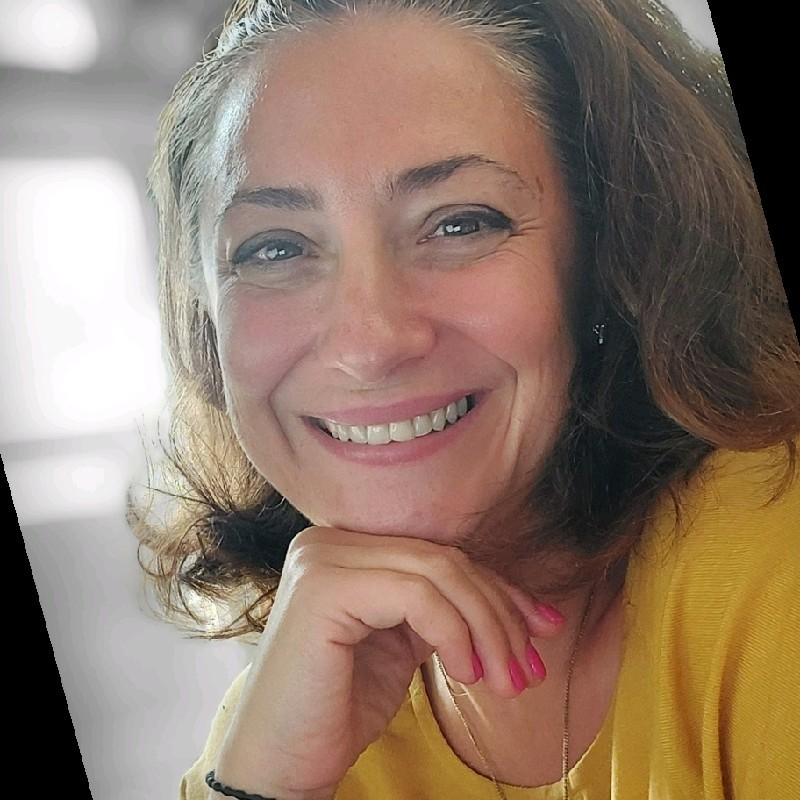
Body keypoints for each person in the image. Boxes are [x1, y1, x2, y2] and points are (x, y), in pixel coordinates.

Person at [130, 0, 800, 797]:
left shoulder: (774, 568)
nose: (369, 343)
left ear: (612, 257)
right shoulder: (286, 712)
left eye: (459, 225)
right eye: (275, 248)